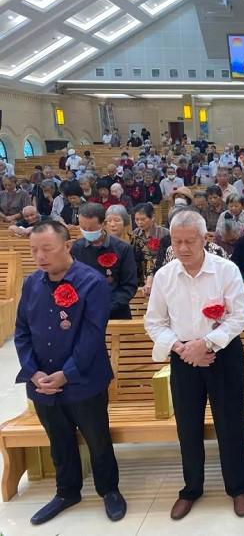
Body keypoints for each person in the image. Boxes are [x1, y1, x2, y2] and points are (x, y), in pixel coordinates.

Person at [14, 221, 126, 525]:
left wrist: (67, 374)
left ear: (67, 245)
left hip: (84, 380)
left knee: (97, 438)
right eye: (34, 250)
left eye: (47, 248)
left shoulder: (91, 282)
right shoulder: (31, 283)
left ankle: (109, 490)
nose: (40, 256)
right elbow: (22, 332)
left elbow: (91, 336)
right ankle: (67, 492)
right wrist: (33, 373)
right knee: (58, 440)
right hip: (42, 384)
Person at [144, 211, 244, 520]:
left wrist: (205, 343)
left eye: (190, 241)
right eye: (177, 242)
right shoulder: (165, 276)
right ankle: (191, 488)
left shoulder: (225, 270)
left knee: (230, 424)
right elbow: (154, 322)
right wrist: (182, 348)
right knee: (187, 426)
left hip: (223, 355)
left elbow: (238, 316)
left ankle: (238, 487)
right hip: (184, 358)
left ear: (205, 239)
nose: (183, 248)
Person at [71, 203, 137, 320]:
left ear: (103, 224)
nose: (86, 232)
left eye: (91, 229)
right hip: (84, 313)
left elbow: (128, 286)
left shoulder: (122, 249)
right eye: (83, 228)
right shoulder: (76, 248)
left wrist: (106, 307)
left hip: (115, 313)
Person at [131, 203, 169, 286]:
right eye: (137, 220)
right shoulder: (134, 235)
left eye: (143, 219)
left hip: (160, 273)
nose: (139, 222)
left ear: (152, 217)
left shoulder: (164, 233)